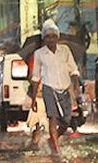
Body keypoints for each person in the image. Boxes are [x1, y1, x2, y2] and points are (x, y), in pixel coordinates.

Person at [30, 19, 81, 155]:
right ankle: (57, 150)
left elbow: (74, 70)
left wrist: (76, 85)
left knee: (66, 121)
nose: (51, 39)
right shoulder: (39, 54)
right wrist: (33, 99)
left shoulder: (65, 50)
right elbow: (35, 77)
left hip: (64, 88)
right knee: (53, 117)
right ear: (44, 39)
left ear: (57, 37)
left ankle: (53, 139)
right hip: (49, 88)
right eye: (47, 36)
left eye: (53, 36)